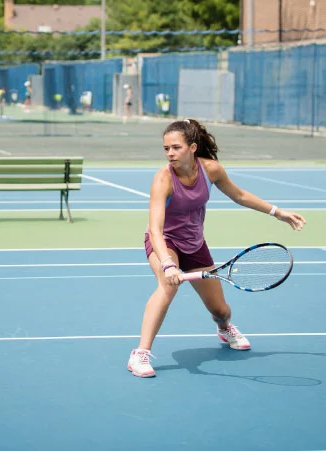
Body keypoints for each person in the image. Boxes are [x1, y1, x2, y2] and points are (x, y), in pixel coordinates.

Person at [127, 119, 307, 378]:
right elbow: (155, 229)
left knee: (220, 310)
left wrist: (277, 212)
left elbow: (240, 195)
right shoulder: (163, 179)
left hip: (195, 243)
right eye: (166, 148)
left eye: (176, 147)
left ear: (192, 147)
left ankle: (224, 328)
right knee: (168, 285)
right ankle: (140, 354)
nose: (169, 153)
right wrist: (167, 263)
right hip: (165, 241)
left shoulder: (210, 170)